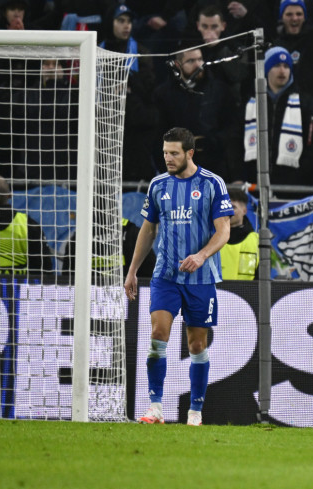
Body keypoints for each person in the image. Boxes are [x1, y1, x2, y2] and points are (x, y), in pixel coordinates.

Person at [124, 127, 233, 426]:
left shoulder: (212, 183)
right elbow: (148, 230)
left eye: (174, 153)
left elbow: (224, 230)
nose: (168, 158)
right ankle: (155, 407)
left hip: (201, 277)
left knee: (196, 345)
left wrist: (201, 256)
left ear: (189, 153)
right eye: (165, 153)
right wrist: (132, 270)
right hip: (166, 275)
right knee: (158, 334)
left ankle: (195, 412)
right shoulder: (158, 185)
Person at [155, 47, 240, 181]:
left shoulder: (219, 90)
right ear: (177, 65)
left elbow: (231, 130)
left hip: (215, 167)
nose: (198, 65)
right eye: (191, 61)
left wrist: (213, 141)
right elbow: (158, 135)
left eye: (200, 59)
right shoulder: (164, 94)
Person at [242, 46, 313, 187]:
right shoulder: (251, 102)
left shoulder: (306, 103)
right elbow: (236, 140)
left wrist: (300, 178)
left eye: (286, 66)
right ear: (266, 70)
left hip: (295, 185)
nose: (282, 71)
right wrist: (239, 176)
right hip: (254, 182)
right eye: (277, 65)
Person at [100, 4, 159, 184]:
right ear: (110, 23)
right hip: (105, 125)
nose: (126, 26)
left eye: (129, 21)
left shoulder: (141, 52)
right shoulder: (96, 51)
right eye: (121, 21)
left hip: (135, 127)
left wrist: (130, 83)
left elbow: (149, 89)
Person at [220, 187, 259, 280]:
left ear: (244, 211)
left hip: (247, 289)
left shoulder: (257, 241)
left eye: (233, 207)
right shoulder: (208, 237)